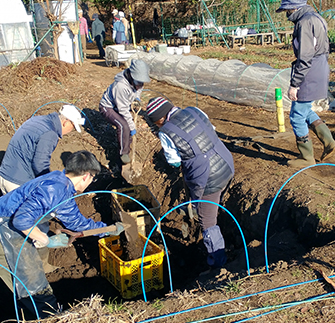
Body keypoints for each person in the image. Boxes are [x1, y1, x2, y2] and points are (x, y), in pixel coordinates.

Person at [0, 151, 122, 318]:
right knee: (33, 287)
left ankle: (45, 296)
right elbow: (21, 222)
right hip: (3, 236)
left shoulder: (62, 183)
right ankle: (51, 321)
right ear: (86, 176)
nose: (91, 182)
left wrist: (106, 229)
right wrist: (46, 240)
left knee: (39, 267)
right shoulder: (54, 190)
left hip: (17, 231)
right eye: (93, 178)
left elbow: (76, 222)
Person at [146, 97, 234, 268]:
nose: (157, 126)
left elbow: (174, 161)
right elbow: (211, 130)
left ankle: (219, 263)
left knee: (207, 220)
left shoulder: (166, 131)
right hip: (226, 162)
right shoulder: (194, 110)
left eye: (156, 123)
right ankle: (202, 211)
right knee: (213, 202)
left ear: (160, 118)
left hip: (208, 176)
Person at [276, 0, 335, 168]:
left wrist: (295, 83)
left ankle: (306, 158)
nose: (286, 13)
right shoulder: (316, 18)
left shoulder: (304, 23)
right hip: (320, 68)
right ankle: (329, 142)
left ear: (294, 7)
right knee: (305, 109)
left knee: (296, 116)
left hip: (310, 71)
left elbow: (305, 56)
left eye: (287, 9)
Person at [0, 105, 85, 194]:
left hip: (4, 175)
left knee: (8, 206)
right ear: (66, 122)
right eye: (73, 127)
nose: (71, 130)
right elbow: (40, 165)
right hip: (18, 183)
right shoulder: (50, 133)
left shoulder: (37, 120)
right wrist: (51, 185)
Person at [99, 58, 150, 165]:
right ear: (131, 76)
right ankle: (123, 153)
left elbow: (138, 91)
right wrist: (132, 127)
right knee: (124, 126)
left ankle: (127, 145)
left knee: (127, 127)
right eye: (138, 82)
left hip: (120, 106)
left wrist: (137, 99)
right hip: (108, 107)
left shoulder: (138, 82)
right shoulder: (120, 86)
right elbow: (122, 110)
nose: (140, 85)